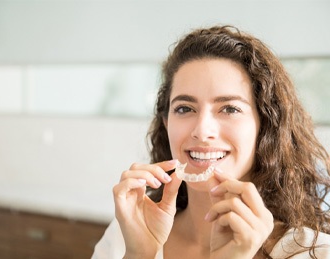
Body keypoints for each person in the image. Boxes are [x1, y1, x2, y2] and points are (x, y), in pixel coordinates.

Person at [92, 25, 330, 258]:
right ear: (166, 124)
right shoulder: (126, 236)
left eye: (229, 108)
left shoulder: (314, 252)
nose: (202, 131)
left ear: (265, 125)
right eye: (184, 108)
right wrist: (140, 254)